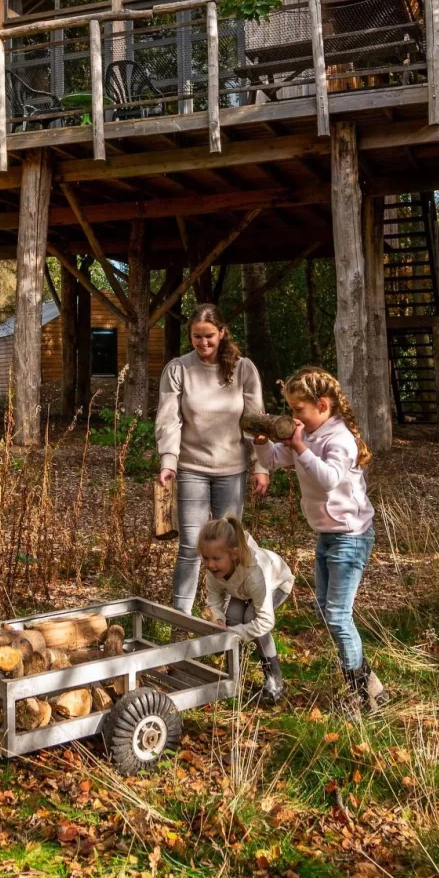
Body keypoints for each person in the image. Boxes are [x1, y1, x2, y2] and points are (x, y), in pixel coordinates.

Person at [252, 366, 386, 714]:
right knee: (328, 613)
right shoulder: (308, 435)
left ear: (323, 405)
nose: (293, 417)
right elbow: (278, 460)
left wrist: (299, 445)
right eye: (291, 410)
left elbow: (327, 480)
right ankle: (370, 682)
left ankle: (360, 695)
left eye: (299, 410)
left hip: (351, 536)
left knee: (338, 615)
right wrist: (263, 444)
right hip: (328, 534)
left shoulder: (338, 439)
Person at [154, 303, 269, 614]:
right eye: (196, 337)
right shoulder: (178, 369)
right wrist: (168, 461)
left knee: (230, 547)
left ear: (221, 333)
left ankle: (232, 613)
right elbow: (169, 420)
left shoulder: (243, 369)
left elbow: (255, 421)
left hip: (231, 470)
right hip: (191, 468)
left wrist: (261, 466)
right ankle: (182, 617)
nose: (203, 344)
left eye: (208, 336)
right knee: (192, 546)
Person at [198, 515, 294, 704]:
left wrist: (232, 633)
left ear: (233, 555)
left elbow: (265, 621)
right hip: (242, 590)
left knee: (251, 617)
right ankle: (234, 676)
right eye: (205, 558)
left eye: (216, 558)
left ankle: (274, 679)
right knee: (232, 617)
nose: (210, 565)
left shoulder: (255, 573)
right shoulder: (214, 571)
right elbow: (215, 602)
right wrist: (218, 620)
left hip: (276, 583)